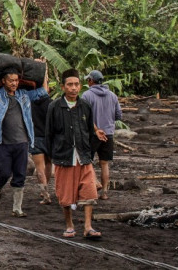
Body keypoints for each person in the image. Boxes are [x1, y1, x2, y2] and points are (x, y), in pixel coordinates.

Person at [0, 57, 49, 217]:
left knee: (20, 174)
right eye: (11, 80)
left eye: (16, 80)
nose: (14, 83)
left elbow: (44, 91)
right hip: (2, 143)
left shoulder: (24, 95)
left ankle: (17, 208)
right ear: (4, 81)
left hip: (22, 143)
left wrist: (44, 69)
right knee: (4, 173)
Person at [45, 68, 102, 240]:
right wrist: (53, 156)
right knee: (65, 194)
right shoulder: (54, 107)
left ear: (80, 86)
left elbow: (90, 132)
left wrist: (90, 154)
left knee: (89, 191)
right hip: (64, 157)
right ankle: (69, 225)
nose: (73, 88)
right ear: (63, 87)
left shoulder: (85, 106)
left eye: (76, 84)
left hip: (84, 157)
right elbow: (49, 134)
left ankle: (88, 227)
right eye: (70, 85)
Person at [83, 69, 121, 200]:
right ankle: (105, 192)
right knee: (104, 164)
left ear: (91, 81)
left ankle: (95, 182)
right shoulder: (112, 96)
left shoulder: (87, 95)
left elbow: (84, 115)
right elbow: (118, 115)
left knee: (86, 160)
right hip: (109, 133)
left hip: (93, 133)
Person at [30, 94, 53, 204]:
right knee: (49, 163)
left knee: (39, 167)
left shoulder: (29, 102)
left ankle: (45, 194)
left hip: (36, 136)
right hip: (49, 137)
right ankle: (46, 188)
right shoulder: (51, 102)